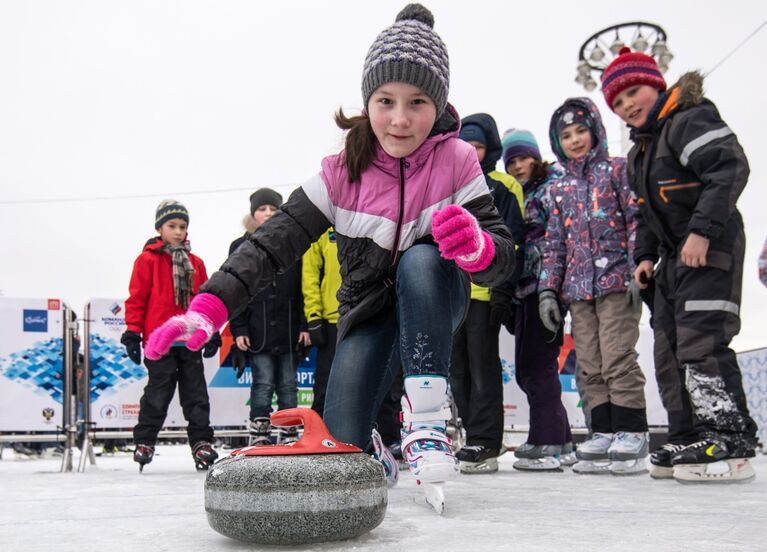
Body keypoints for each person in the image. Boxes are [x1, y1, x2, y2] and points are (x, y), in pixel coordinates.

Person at [144, 4, 515, 506]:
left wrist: (476, 246)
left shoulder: (456, 160)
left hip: (433, 296)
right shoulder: (341, 173)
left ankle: (427, 421)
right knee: (341, 445)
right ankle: (374, 452)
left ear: (440, 104)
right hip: (367, 313)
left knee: (421, 260)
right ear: (368, 101)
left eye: (418, 102)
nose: (400, 120)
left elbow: (503, 258)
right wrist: (210, 309)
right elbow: (269, 245)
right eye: (386, 100)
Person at [602, 47, 758, 482]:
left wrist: (702, 231)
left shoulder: (688, 120)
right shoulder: (641, 152)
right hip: (672, 259)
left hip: (710, 246)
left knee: (700, 339)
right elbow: (645, 212)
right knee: (668, 347)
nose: (627, 105)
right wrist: (645, 257)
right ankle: (687, 431)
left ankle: (727, 432)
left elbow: (729, 168)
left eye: (633, 92)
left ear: (655, 83)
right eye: (617, 102)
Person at [539, 97, 649, 476]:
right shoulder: (558, 189)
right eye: (566, 135)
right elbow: (553, 244)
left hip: (617, 282)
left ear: (596, 132)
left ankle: (632, 430)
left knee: (618, 355)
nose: (575, 140)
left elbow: (636, 219)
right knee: (589, 364)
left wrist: (639, 266)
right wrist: (548, 290)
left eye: (581, 131)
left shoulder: (616, 171)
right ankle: (602, 431)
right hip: (578, 291)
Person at [449, 113, 525, 474]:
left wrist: (502, 292)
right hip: (455, 295)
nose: (472, 153)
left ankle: (486, 439)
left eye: (478, 146)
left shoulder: (503, 185)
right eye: (466, 146)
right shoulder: (450, 186)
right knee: (458, 370)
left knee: (483, 368)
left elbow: (512, 240)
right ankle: (468, 432)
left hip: (484, 293)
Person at [120, 200, 220, 471]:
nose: (178, 231)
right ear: (159, 228)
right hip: (159, 341)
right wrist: (132, 332)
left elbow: (205, 299)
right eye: (172, 226)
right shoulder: (147, 260)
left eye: (182, 226)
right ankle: (145, 441)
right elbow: (137, 298)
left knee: (196, 394)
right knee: (158, 392)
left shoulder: (195, 263)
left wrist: (211, 332)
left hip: (189, 340)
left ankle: (201, 442)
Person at [501, 129, 576, 471]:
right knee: (530, 369)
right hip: (523, 292)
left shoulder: (551, 190)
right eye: (511, 160)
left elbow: (556, 243)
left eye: (523, 158)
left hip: (545, 291)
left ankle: (548, 439)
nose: (518, 165)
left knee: (538, 366)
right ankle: (560, 438)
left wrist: (551, 288)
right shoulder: (521, 194)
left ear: (536, 157)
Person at [228, 188, 309, 445]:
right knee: (262, 383)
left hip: (287, 328)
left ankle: (289, 430)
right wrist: (238, 328)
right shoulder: (240, 246)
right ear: (253, 214)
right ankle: (260, 431)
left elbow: (302, 290)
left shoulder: (291, 244)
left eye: (273, 209)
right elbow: (234, 288)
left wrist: (305, 325)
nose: (268, 213)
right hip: (257, 329)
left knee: (288, 383)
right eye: (263, 209)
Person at [302, 227, 341, 417]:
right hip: (331, 318)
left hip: (365, 315)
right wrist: (314, 316)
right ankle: (319, 429)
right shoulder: (323, 231)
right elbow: (310, 275)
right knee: (325, 380)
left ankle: (379, 433)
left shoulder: (367, 221)